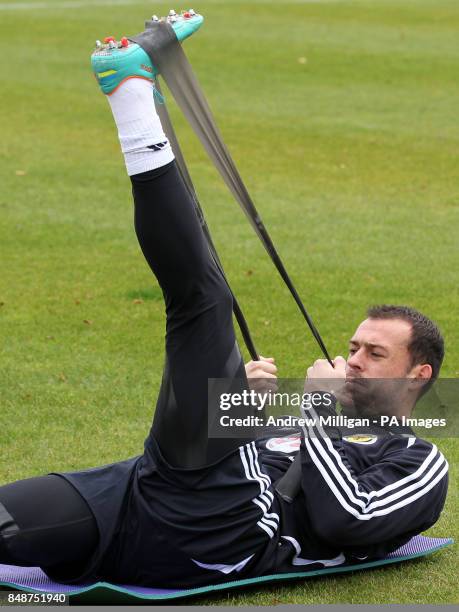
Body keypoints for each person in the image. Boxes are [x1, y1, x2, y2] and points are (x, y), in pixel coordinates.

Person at [0, 14, 448, 588]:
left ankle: (133, 96)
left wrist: (315, 411)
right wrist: (240, 409)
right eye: (353, 346)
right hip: (137, 492)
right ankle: (136, 91)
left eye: (374, 354)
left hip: (220, 531)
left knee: (203, 299)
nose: (354, 360)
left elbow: (348, 518)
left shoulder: (416, 460)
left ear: (418, 374)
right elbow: (228, 447)